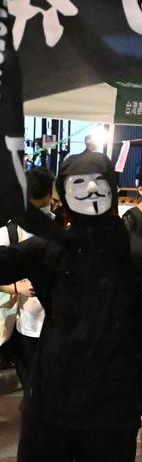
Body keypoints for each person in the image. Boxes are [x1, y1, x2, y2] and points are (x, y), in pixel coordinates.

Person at [0, 151, 142, 462]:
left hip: (112, 411)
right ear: (63, 192)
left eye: (98, 181)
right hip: (49, 405)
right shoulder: (50, 246)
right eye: (77, 183)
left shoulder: (139, 256)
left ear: (112, 188)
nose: (90, 190)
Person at [0, 168, 55, 393]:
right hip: (26, 328)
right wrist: (16, 287)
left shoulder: (63, 227)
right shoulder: (8, 233)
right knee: (35, 390)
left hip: (59, 326)